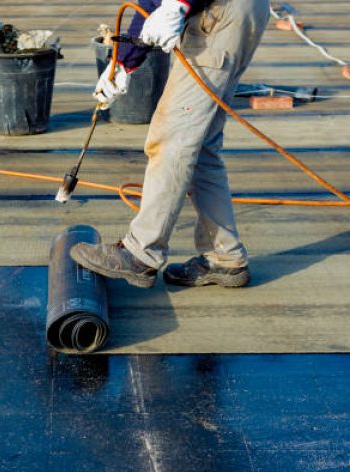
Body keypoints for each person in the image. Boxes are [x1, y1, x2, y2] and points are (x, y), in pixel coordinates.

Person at [70, 0, 270, 288]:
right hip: (240, 10)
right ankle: (224, 256)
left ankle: (141, 253)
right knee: (201, 145)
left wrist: (179, 3)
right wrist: (125, 63)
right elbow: (149, 3)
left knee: (171, 137)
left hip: (221, 12)